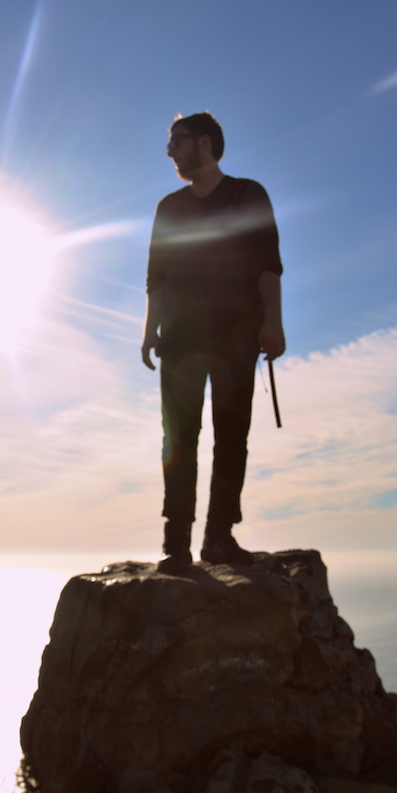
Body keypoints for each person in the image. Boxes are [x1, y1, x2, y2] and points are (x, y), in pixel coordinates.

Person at [142, 111, 285, 573]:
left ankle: (218, 538)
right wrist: (149, 329)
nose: (169, 151)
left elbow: (269, 263)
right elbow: (156, 276)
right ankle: (176, 545)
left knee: (231, 436)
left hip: (238, 333)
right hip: (181, 336)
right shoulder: (170, 207)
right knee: (179, 437)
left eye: (176, 141)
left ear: (204, 143)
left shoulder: (248, 194)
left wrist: (274, 323)